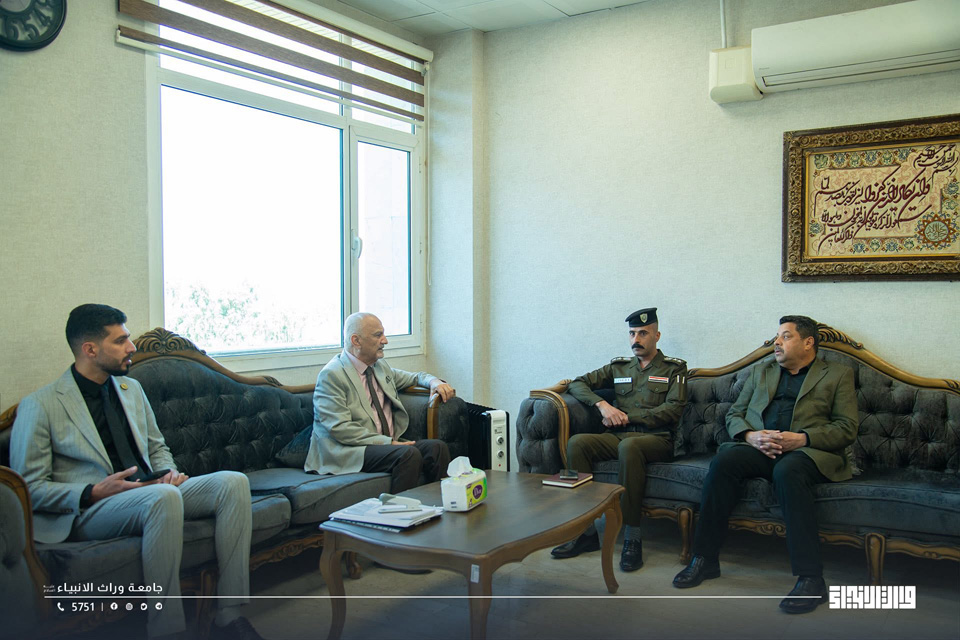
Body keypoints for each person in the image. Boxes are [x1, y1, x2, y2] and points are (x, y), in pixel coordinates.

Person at [10, 304, 265, 640]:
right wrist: (91, 492)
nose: (131, 347)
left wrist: (168, 472)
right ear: (90, 350)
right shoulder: (41, 405)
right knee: (162, 498)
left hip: (151, 492)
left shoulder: (132, 390)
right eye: (120, 341)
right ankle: (166, 630)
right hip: (90, 509)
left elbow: (157, 447)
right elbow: (26, 489)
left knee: (233, 483)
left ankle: (228, 615)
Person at [672, 315, 858, 614]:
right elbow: (735, 414)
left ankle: (811, 578)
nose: (776, 342)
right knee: (724, 461)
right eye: (777, 336)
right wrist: (751, 436)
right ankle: (704, 559)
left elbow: (847, 428)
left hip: (807, 452)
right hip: (760, 448)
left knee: (788, 471)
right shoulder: (762, 370)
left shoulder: (837, 374)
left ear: (808, 342)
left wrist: (802, 438)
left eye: (786, 336)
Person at [551, 308, 687, 572]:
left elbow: (673, 410)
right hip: (619, 437)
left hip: (657, 439)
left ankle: (632, 537)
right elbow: (577, 384)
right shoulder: (619, 367)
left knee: (630, 446)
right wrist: (603, 406)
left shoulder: (674, 368)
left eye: (643, 333)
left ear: (657, 336)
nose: (636, 339)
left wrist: (625, 416)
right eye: (632, 333)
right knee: (578, 443)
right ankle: (585, 531)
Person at [306, 312, 455, 493]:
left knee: (437, 448)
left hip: (384, 446)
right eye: (378, 335)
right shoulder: (332, 375)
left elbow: (415, 377)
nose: (385, 341)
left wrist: (434, 382)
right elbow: (340, 428)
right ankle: (398, 509)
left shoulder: (379, 367)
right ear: (356, 341)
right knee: (407, 454)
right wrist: (387, 442)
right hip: (349, 450)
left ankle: (441, 505)